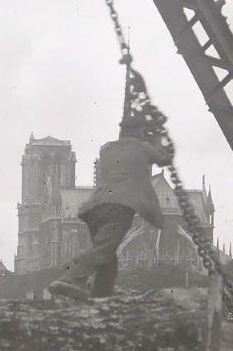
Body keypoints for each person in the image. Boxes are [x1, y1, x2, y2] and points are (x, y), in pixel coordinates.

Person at [48, 117, 174, 301]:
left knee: (109, 259)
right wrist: (158, 138)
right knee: (104, 250)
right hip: (119, 207)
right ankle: (72, 279)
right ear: (140, 132)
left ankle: (101, 296)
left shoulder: (108, 149)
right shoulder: (141, 148)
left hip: (93, 208)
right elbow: (164, 158)